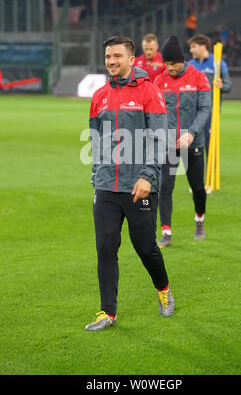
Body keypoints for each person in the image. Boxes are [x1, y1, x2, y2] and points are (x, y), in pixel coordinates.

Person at [86, 36, 174, 331]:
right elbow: (96, 141)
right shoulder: (98, 96)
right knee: (106, 248)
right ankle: (106, 313)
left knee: (146, 247)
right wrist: (96, 177)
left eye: (117, 56)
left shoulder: (150, 92)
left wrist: (148, 177)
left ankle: (163, 290)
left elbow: (160, 138)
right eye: (108, 56)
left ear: (131, 59)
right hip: (106, 189)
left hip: (139, 188)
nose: (112, 61)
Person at [154, 35, 211, 245]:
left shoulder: (198, 77)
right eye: (166, 64)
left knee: (197, 187)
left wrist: (192, 132)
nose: (170, 68)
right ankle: (166, 233)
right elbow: (155, 111)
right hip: (169, 145)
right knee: (165, 187)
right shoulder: (159, 81)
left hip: (193, 143)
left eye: (173, 64)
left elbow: (205, 108)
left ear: (182, 60)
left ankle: (199, 218)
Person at [187, 34, 232, 158]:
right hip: (193, 111)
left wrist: (221, 85)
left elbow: (228, 86)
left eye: (193, 47)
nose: (190, 50)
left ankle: (210, 176)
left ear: (203, 47)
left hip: (211, 111)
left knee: (210, 145)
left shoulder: (218, 63)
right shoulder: (190, 64)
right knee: (193, 147)